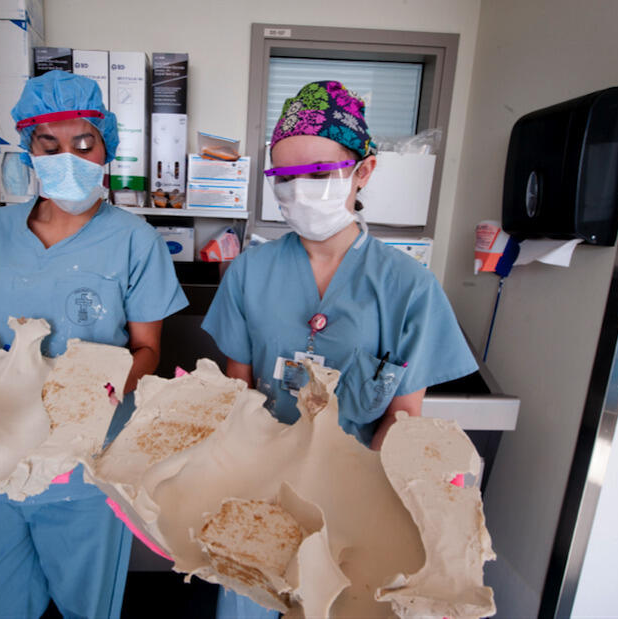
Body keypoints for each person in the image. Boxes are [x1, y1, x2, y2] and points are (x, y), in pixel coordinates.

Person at [201, 80, 478, 618]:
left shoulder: (408, 288)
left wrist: (349, 491)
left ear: (363, 171)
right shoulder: (250, 272)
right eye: (285, 177)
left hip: (353, 500)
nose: (299, 191)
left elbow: (402, 420)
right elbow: (237, 391)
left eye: (319, 174)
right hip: (257, 489)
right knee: (247, 600)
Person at [0, 71, 188, 619]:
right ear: (28, 152)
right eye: (48, 146)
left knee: (86, 604)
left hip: (85, 460)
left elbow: (147, 351)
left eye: (83, 143)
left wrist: (89, 398)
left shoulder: (136, 241)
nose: (68, 159)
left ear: (106, 149)